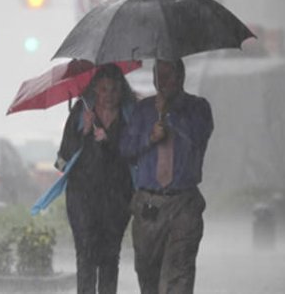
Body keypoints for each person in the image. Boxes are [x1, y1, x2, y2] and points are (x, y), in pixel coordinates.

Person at [119, 59, 214, 294]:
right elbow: (126, 150)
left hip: (183, 201)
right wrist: (149, 138)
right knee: (147, 272)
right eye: (159, 76)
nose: (163, 82)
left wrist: (169, 114)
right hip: (149, 204)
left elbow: (198, 137)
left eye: (169, 75)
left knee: (179, 271)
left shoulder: (198, 107)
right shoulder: (142, 110)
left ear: (180, 77)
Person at [55, 63, 136, 294]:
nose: (108, 96)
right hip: (82, 197)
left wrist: (109, 140)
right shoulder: (81, 113)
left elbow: (135, 152)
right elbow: (62, 159)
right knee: (86, 253)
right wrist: (84, 132)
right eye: (103, 89)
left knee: (111, 255)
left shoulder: (130, 116)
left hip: (117, 198)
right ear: (95, 90)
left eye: (113, 90)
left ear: (122, 91)